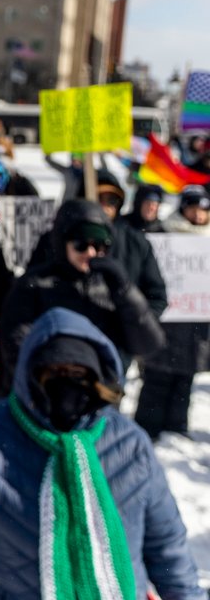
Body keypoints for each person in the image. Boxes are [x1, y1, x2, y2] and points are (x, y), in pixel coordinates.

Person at [0, 308, 210, 600]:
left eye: (78, 374)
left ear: (98, 380)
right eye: (53, 372)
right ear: (30, 375)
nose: (66, 383)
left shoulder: (130, 445)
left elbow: (166, 546)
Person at [4, 199, 165, 371]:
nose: (91, 253)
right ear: (63, 243)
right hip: (51, 387)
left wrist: (126, 291)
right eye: (81, 245)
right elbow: (17, 345)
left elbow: (147, 345)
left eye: (99, 245)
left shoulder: (112, 286)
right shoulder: (35, 284)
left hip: (106, 388)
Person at [26, 170, 168, 321]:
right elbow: (30, 289)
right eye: (98, 198)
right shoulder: (55, 239)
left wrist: (135, 327)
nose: (105, 206)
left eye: (112, 200)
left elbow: (156, 296)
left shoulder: (136, 241)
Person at [135, 186, 210, 440]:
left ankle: (176, 429)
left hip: (196, 327)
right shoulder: (163, 233)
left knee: (184, 380)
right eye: (193, 209)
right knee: (157, 377)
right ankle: (147, 427)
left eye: (203, 211)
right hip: (166, 324)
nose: (198, 216)